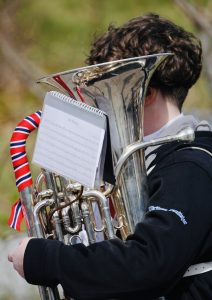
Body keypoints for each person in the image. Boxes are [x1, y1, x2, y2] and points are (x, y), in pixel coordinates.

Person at [8, 13, 212, 300]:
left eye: (100, 93)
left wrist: (46, 259)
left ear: (148, 93)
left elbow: (147, 265)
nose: (93, 105)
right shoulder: (142, 165)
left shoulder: (191, 166)